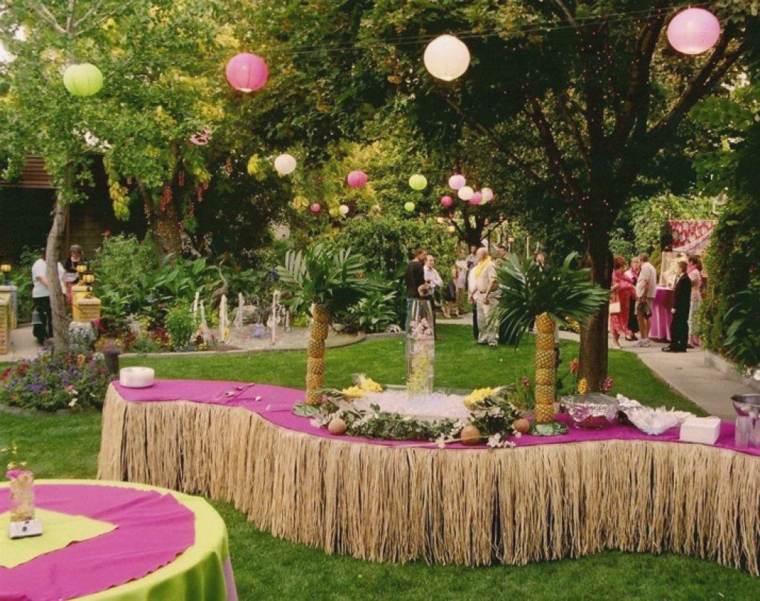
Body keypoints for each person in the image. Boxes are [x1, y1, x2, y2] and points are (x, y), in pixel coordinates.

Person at [31, 251, 64, 345]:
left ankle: (52, 336)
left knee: (53, 316)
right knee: (41, 317)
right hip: (42, 295)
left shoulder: (57, 263)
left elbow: (62, 276)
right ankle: (40, 337)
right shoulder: (39, 264)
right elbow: (41, 278)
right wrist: (54, 288)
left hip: (56, 295)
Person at [468, 247, 498, 347]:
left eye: (478, 254)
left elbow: (493, 280)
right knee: (481, 319)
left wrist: (487, 294)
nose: (476, 256)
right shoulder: (479, 266)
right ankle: (483, 338)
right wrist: (471, 294)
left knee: (489, 318)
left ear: (483, 255)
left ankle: (492, 340)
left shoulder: (490, 265)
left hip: (488, 295)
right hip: (479, 295)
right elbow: (478, 282)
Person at [663, 259, 691, 352]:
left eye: (677, 268)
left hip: (681, 308)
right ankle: (678, 344)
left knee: (676, 326)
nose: (676, 270)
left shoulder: (685, 279)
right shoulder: (683, 278)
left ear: (681, 268)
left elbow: (680, 296)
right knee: (680, 325)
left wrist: (674, 307)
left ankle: (676, 345)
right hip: (682, 307)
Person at [609, 256, 635, 348]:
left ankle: (617, 340)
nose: (624, 268)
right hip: (616, 301)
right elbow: (619, 286)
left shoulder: (623, 275)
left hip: (625, 302)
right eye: (623, 266)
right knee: (616, 320)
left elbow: (630, 282)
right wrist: (628, 286)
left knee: (623, 320)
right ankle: (615, 341)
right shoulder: (613, 275)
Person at [635, 253, 657, 347]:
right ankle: (645, 338)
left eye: (638, 261)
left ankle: (644, 338)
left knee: (641, 316)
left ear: (641, 260)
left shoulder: (645, 268)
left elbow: (646, 282)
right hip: (647, 295)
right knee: (646, 316)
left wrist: (643, 296)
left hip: (644, 296)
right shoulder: (651, 267)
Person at [687, 256, 703, 347]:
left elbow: (689, 284)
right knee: (695, 316)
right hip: (696, 295)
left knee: (692, 316)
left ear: (691, 262)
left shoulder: (693, 273)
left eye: (688, 261)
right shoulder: (695, 272)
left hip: (693, 296)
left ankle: (690, 339)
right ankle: (695, 338)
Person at [624, 256, 641, 341]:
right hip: (629, 297)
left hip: (635, 297)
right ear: (631, 264)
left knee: (634, 315)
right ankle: (628, 333)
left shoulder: (638, 273)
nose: (637, 265)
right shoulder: (628, 274)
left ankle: (633, 332)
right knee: (629, 314)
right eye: (635, 262)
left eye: (638, 263)